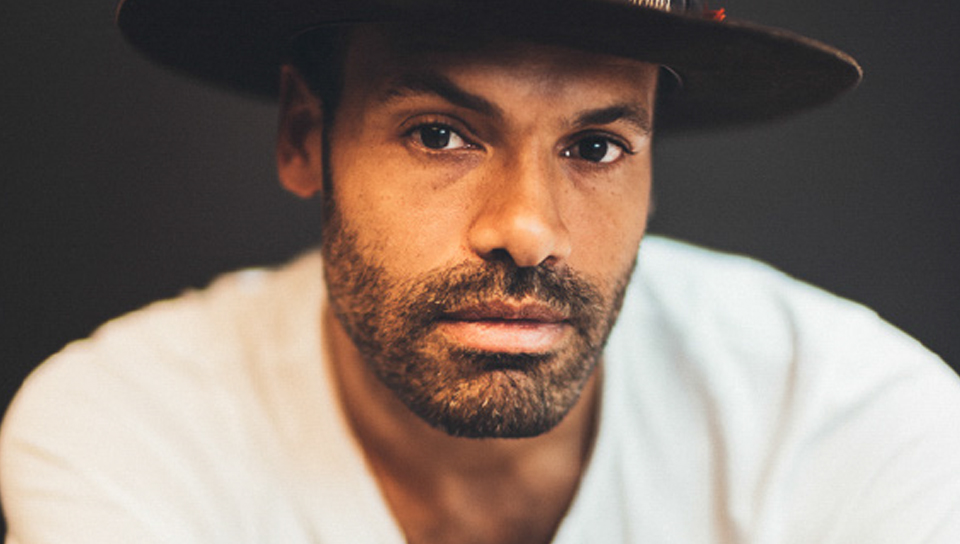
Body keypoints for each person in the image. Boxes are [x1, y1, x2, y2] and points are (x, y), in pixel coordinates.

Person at [2, 0, 959, 542]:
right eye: (440, 134)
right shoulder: (130, 435)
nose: (528, 231)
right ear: (305, 134)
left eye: (595, 147)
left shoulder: (846, 424)